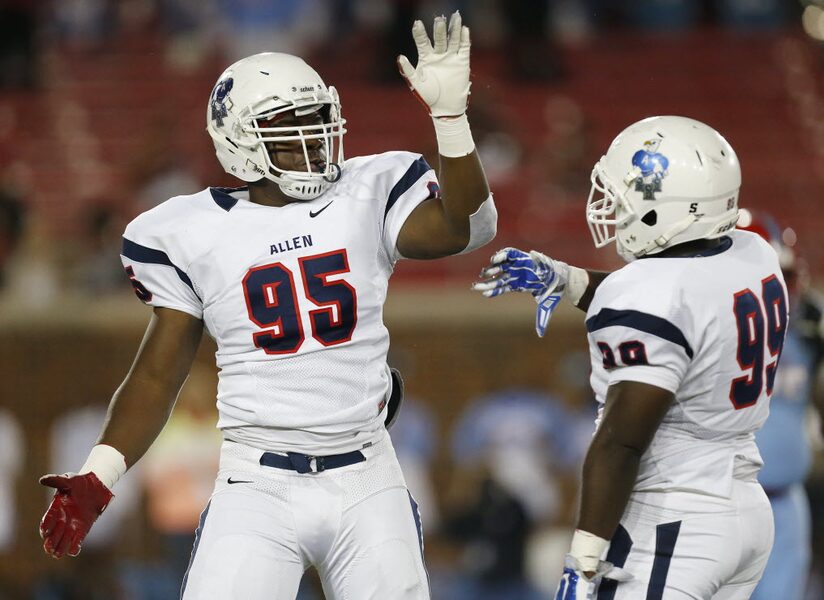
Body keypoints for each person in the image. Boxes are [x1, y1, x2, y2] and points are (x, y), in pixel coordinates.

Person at [38, 11, 496, 600]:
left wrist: (450, 120)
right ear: (238, 142)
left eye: (317, 120)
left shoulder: (365, 192)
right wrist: (98, 475)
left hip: (366, 474)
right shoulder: (191, 231)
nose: (312, 139)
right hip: (256, 481)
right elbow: (157, 373)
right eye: (289, 124)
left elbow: (467, 227)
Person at [475, 116, 782, 599]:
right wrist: (569, 280)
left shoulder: (651, 293)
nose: (613, 209)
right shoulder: (753, 253)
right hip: (744, 506)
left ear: (669, 207)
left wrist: (583, 561)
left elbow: (622, 443)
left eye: (627, 197)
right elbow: (681, 308)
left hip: (673, 516)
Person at [734, 209, 824, 600]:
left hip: (786, 500)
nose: (780, 287)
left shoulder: (808, 327)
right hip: (715, 502)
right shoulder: (698, 325)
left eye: (784, 275)